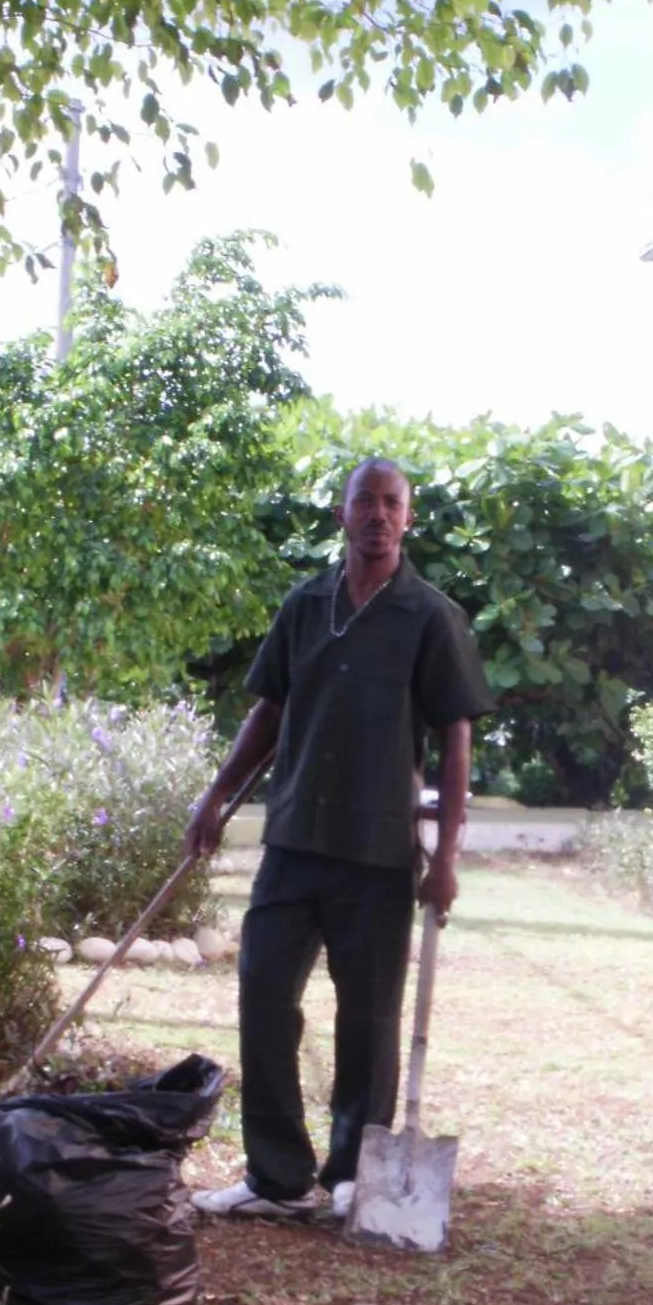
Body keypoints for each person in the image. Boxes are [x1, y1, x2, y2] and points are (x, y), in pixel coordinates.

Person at [186, 458, 495, 1224]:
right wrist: (218, 793)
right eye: (366, 502)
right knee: (263, 995)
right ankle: (276, 1177)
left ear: (408, 519)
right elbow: (269, 712)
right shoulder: (306, 604)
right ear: (342, 513)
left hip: (379, 851)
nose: (379, 516)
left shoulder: (430, 616)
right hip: (294, 840)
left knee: (367, 1017)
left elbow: (456, 740)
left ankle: (356, 1171)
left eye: (393, 504)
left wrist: (446, 858)